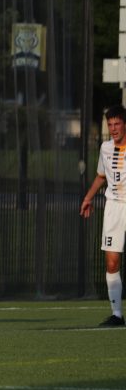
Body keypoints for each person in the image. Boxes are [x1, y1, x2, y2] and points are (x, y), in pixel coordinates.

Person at [80, 104, 126, 327]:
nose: (114, 128)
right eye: (110, 124)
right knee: (111, 261)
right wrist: (88, 198)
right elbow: (101, 177)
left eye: (117, 124)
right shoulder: (105, 148)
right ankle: (117, 314)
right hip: (113, 207)